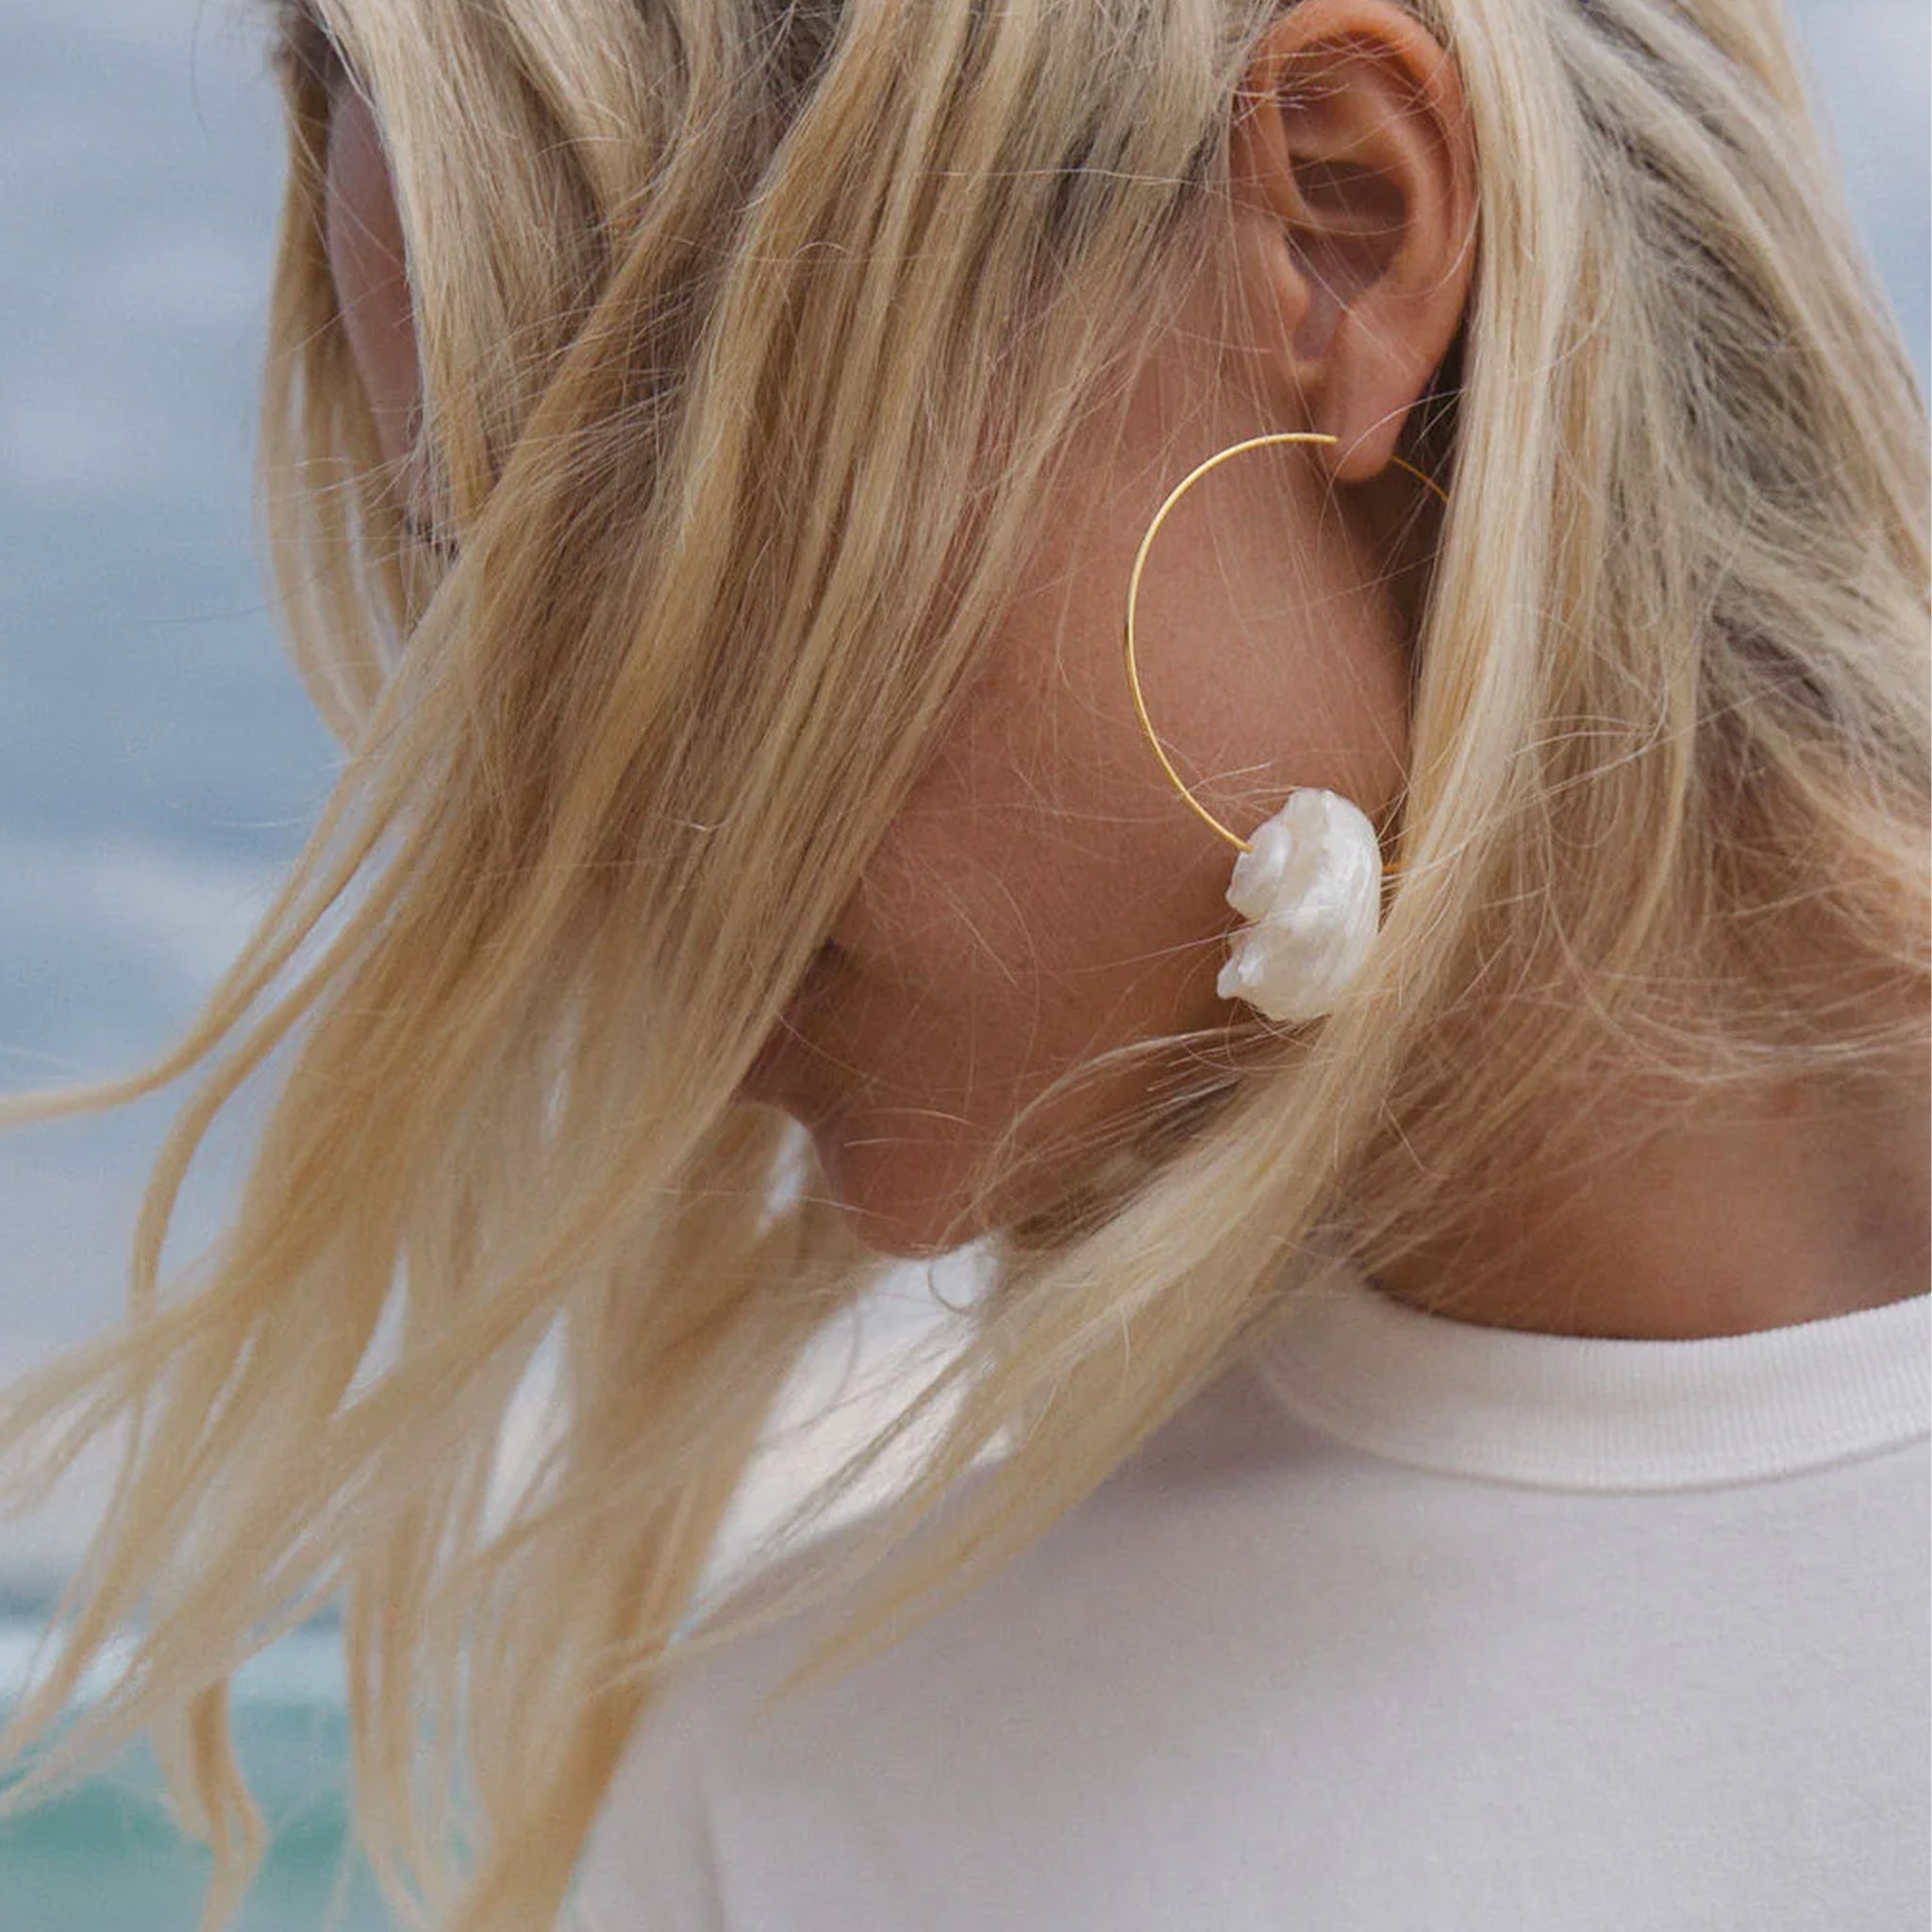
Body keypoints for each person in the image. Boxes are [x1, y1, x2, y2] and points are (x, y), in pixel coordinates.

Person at [0, 0, 1924, 1926]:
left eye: (655, 571)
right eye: (498, 635)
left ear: (1340, 223)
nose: (575, 881)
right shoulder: (832, 1791)